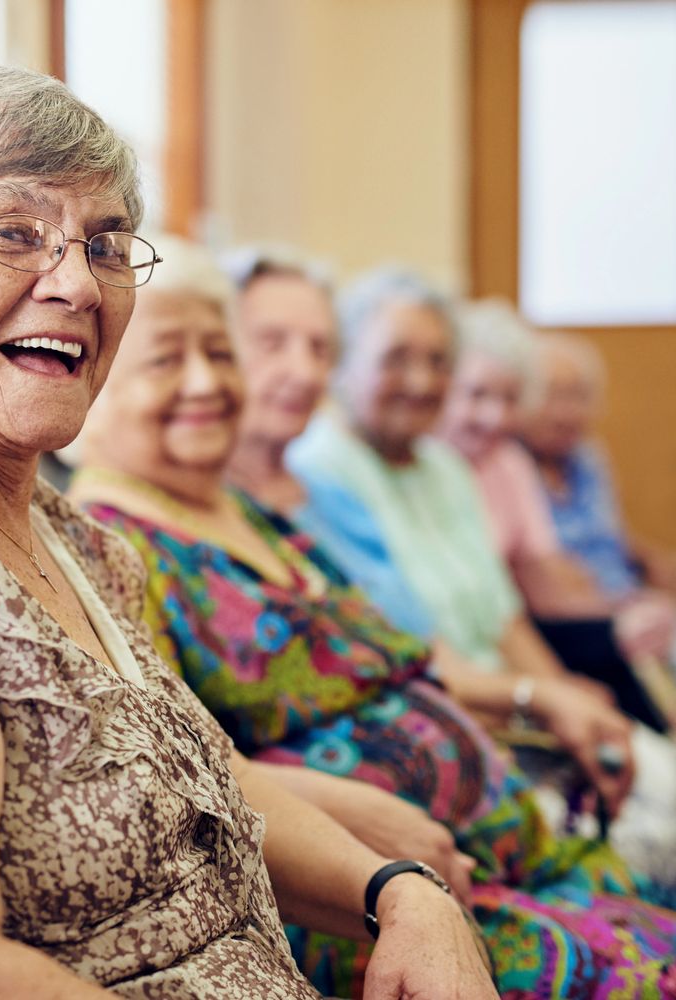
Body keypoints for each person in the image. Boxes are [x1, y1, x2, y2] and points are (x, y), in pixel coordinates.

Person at [0, 69, 498, 1000]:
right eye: (13, 234)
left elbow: (194, 783)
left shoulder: (65, 534)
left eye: (106, 243)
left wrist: (402, 895)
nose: (74, 282)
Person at [70, 236, 676, 1000]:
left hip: (510, 844)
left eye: (220, 353)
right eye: (165, 360)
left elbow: (395, 653)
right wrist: (371, 846)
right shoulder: (108, 546)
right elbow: (191, 769)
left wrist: (538, 694)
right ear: (93, 381)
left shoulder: (251, 514)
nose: (206, 382)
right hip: (374, 895)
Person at [285, 264, 676, 889]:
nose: (421, 380)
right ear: (346, 363)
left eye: (439, 361)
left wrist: (573, 708)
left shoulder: (445, 466)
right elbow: (407, 654)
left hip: (524, 714)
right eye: (397, 358)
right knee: (651, 852)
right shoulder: (321, 471)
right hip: (463, 729)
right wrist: (539, 702)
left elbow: (506, 616)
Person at [436, 299, 675, 730]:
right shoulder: (438, 467)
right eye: (476, 395)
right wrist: (549, 690)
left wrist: (555, 687)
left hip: (523, 649)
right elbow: (522, 598)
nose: (494, 416)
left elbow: (534, 578)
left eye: (510, 399)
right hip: (482, 665)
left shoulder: (510, 463)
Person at [521, 331, 676, 603]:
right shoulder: (511, 466)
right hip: (578, 613)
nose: (565, 412)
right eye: (552, 395)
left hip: (627, 597)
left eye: (577, 396)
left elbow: (611, 536)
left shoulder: (588, 457)